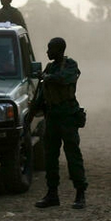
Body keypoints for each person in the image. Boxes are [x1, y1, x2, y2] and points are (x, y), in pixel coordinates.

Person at [33, 37, 88, 209]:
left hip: (67, 117)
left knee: (73, 155)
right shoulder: (50, 68)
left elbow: (64, 79)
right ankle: (52, 194)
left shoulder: (70, 65)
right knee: (50, 157)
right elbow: (41, 95)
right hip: (52, 117)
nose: (47, 52)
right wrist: (31, 114)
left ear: (59, 50)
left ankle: (80, 194)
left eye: (50, 49)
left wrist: (46, 77)